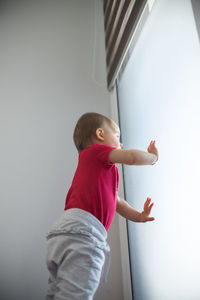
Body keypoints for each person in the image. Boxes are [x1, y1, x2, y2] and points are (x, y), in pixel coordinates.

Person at [45, 112, 158, 300]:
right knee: (76, 294)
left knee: (58, 291)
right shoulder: (96, 152)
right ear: (100, 135)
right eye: (117, 136)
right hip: (83, 231)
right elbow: (130, 157)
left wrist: (138, 216)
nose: (120, 144)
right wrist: (153, 158)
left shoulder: (97, 167)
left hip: (63, 233)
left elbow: (116, 201)